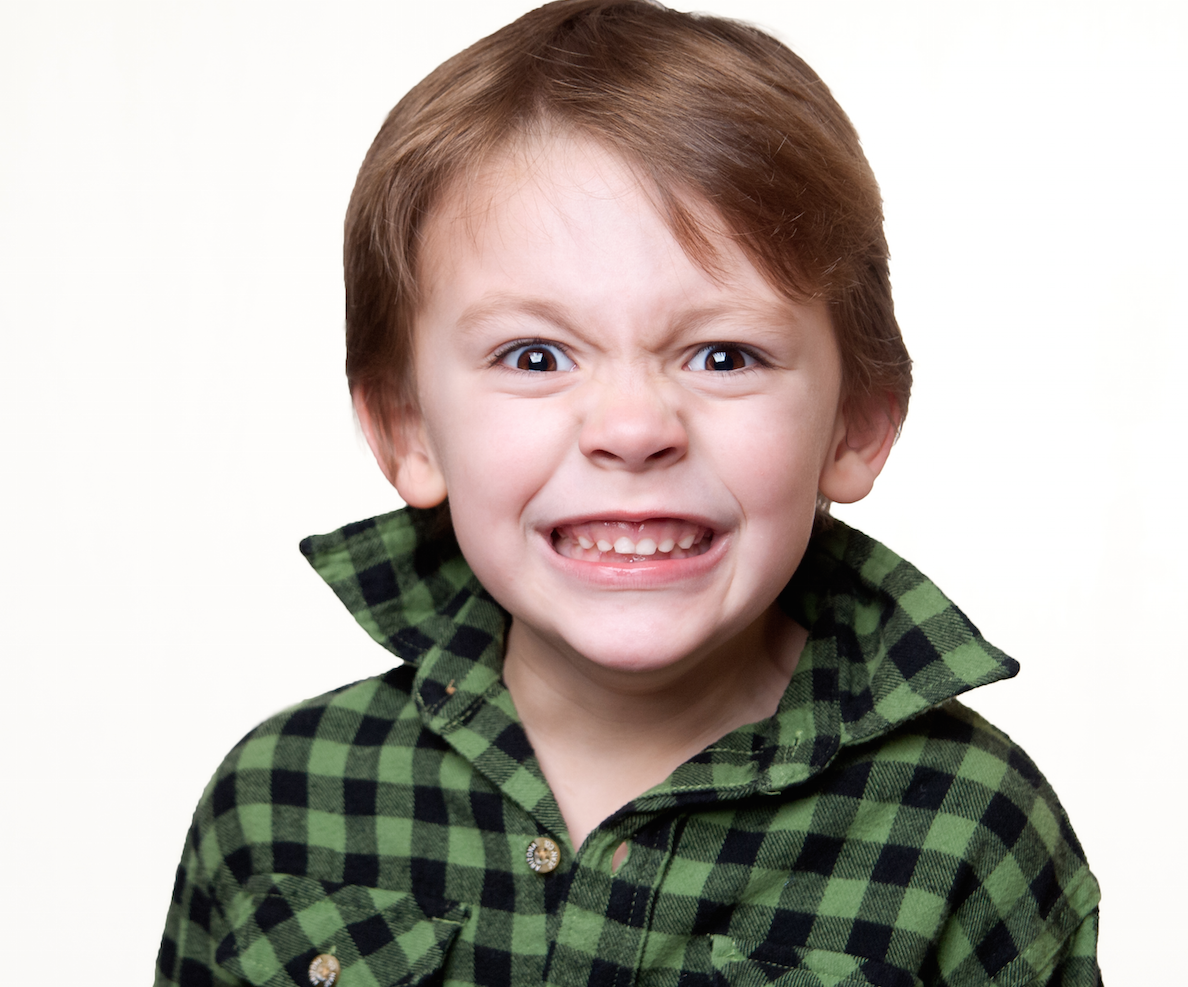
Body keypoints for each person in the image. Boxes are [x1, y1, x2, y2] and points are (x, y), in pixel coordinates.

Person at [155, 2, 1100, 984]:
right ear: (408, 429)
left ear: (856, 423)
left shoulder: (971, 830)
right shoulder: (276, 805)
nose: (634, 428)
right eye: (535, 355)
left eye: (723, 355)